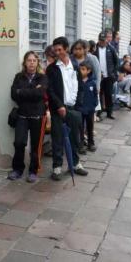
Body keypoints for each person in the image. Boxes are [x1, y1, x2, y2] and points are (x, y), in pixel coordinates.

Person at [46, 36, 88, 181]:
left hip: (73, 108)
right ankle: (57, 167)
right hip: (58, 109)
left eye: (60, 49)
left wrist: (79, 105)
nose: (57, 53)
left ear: (66, 49)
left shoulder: (75, 65)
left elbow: (80, 86)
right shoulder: (52, 69)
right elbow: (50, 90)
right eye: (55, 50)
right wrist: (59, 106)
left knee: (74, 137)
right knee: (57, 138)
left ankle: (76, 163)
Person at [8, 51, 48, 183]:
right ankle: (17, 169)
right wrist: (31, 91)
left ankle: (33, 171)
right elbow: (14, 94)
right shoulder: (18, 77)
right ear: (24, 63)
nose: (31, 63)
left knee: (36, 146)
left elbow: (39, 94)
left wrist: (22, 91)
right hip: (22, 115)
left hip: (37, 116)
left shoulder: (42, 78)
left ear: (37, 63)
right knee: (19, 143)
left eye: (34, 60)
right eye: (29, 60)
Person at [94, 32, 119, 119]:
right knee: (99, 94)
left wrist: (114, 74)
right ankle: (99, 112)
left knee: (108, 94)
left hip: (109, 76)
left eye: (103, 41)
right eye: (100, 40)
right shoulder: (95, 49)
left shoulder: (111, 49)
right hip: (98, 77)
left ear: (106, 40)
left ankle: (109, 112)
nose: (102, 42)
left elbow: (116, 62)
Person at [78, 61, 98, 152]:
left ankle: (91, 143)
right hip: (80, 109)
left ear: (88, 71)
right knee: (80, 128)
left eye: (83, 69)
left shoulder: (92, 83)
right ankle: (81, 144)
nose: (81, 71)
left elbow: (95, 94)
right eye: (80, 69)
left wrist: (94, 104)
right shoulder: (77, 82)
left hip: (90, 109)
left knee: (90, 127)